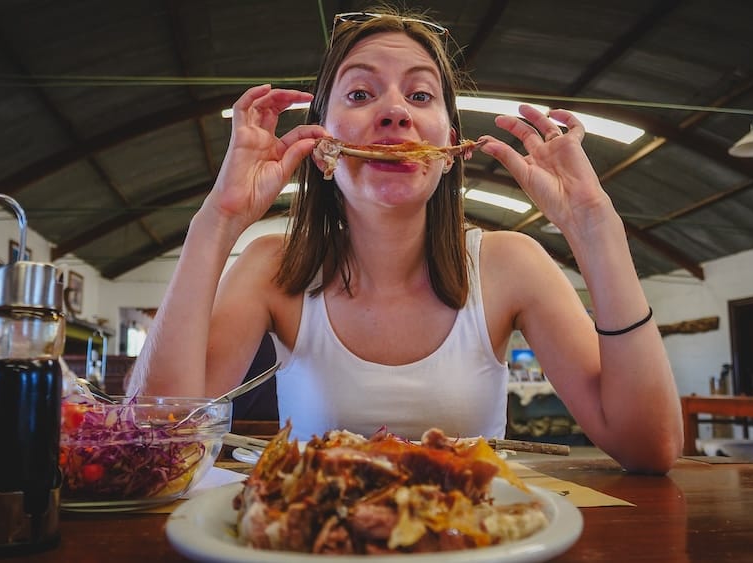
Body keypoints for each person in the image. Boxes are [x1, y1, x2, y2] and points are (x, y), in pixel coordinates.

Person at [129, 8, 683, 473]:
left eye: (420, 95)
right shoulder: (273, 265)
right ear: (322, 147)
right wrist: (217, 220)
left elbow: (650, 447)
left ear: (450, 150)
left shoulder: (512, 264)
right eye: (361, 93)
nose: (395, 112)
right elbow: (156, 441)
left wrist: (595, 226)